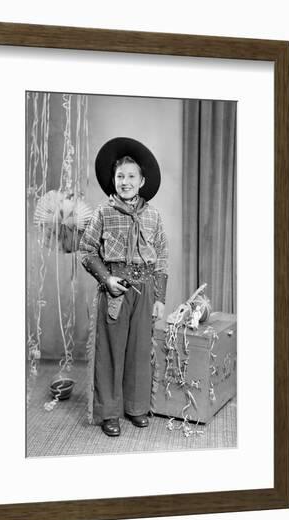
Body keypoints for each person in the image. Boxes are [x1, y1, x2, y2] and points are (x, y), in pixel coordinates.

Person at [79, 137, 168, 436]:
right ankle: (109, 412)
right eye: (120, 177)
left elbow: (162, 257)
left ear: (142, 181)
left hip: (145, 290)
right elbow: (87, 250)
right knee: (111, 352)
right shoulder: (103, 213)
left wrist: (159, 297)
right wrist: (107, 279)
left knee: (140, 351)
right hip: (116, 288)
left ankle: (136, 406)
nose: (125, 182)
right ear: (113, 181)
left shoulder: (153, 216)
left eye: (131, 176)